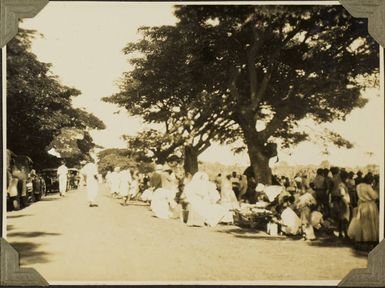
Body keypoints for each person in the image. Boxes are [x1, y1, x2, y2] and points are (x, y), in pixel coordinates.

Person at [348, 173, 379, 244]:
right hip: (369, 205)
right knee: (370, 222)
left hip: (361, 204)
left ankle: (362, 237)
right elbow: (374, 196)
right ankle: (369, 238)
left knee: (362, 221)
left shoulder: (358, 186)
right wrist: (376, 191)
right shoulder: (368, 187)